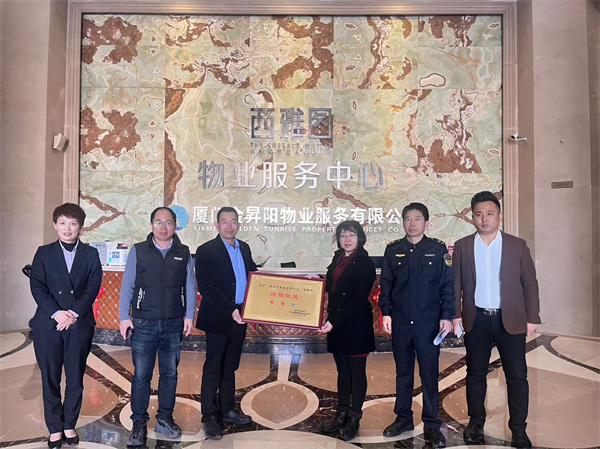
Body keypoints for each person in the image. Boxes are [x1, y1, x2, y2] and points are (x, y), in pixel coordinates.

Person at [452, 191, 540, 449]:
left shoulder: (517, 245)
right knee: (475, 373)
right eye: (478, 214)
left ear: (499, 216)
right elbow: (455, 283)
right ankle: (476, 422)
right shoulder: (463, 246)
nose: (484, 219)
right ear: (472, 218)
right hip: (476, 318)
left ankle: (519, 429)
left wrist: (532, 316)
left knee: (517, 376)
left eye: (489, 213)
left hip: (510, 319)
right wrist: (455, 314)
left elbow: (529, 283)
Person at [119, 207, 196, 446]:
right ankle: (138, 424)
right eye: (158, 222)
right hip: (144, 324)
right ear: (151, 225)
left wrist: (189, 315)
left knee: (170, 374)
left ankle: (164, 418)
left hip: (173, 324)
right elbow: (128, 284)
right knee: (142, 375)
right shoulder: (139, 251)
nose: (163, 227)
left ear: (175, 225)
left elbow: (189, 285)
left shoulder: (183, 252)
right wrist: (124, 317)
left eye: (168, 222)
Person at [379, 202, 454, 448]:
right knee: (403, 373)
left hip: (428, 323)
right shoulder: (393, 250)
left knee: (429, 374)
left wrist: (447, 315)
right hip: (401, 321)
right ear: (402, 223)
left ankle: (432, 424)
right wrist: (386, 313)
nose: (412, 224)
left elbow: (447, 286)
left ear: (427, 223)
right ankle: (403, 419)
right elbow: (386, 285)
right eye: (407, 219)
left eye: (417, 219)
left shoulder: (438, 249)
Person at [30, 203, 102, 448]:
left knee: (75, 377)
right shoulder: (43, 253)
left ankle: (69, 424)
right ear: (55, 225)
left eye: (73, 223)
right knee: (50, 377)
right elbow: (37, 286)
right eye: (62, 223)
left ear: (80, 226)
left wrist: (72, 313)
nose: (67, 228)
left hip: (79, 324)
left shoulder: (90, 254)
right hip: (48, 324)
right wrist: (57, 314)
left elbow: (93, 287)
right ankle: (54, 428)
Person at [195, 207, 258, 440]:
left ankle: (227, 409)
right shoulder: (206, 250)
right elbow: (207, 287)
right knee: (213, 367)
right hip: (218, 316)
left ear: (239, 224)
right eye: (224, 221)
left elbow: (254, 276)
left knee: (230, 365)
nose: (229, 226)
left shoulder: (245, 248)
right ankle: (209, 416)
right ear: (217, 225)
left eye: (233, 221)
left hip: (240, 316)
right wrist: (231, 309)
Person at [316, 220, 376, 441]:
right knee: (342, 371)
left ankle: (354, 418)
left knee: (357, 372)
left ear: (360, 238)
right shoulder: (338, 258)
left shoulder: (365, 263)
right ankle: (341, 414)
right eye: (343, 235)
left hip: (356, 325)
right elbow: (335, 285)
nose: (347, 239)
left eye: (351, 235)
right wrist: (317, 282)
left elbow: (357, 298)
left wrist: (333, 321)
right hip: (338, 325)